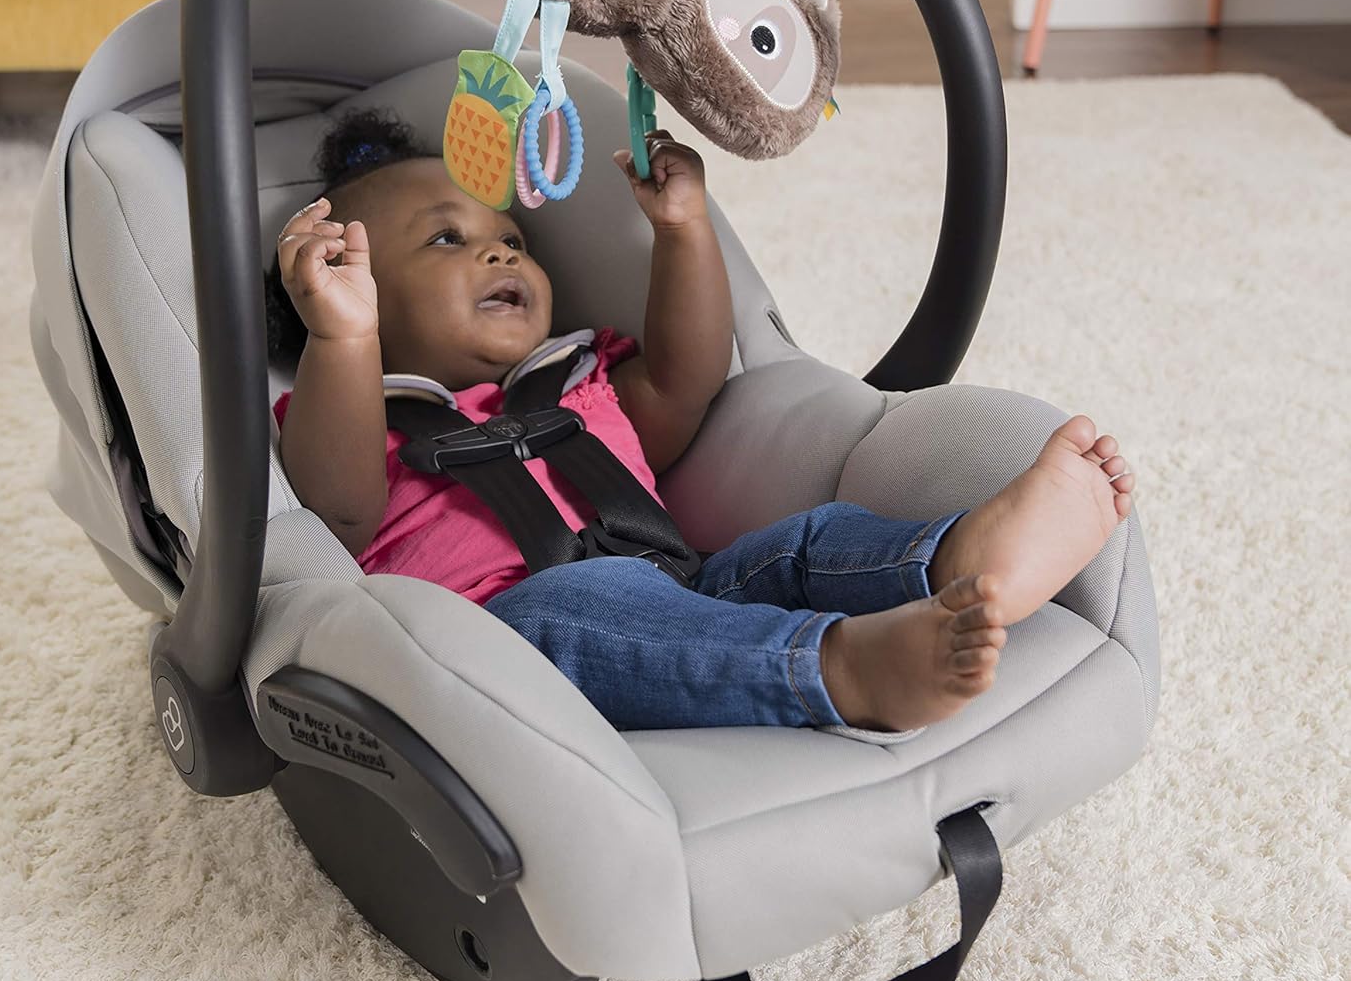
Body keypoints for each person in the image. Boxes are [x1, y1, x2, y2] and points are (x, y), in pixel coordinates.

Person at [267, 109, 1134, 736]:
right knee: (577, 603)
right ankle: (842, 669)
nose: (500, 251)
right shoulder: (356, 422)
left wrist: (682, 230)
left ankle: (962, 559)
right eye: (445, 240)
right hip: (507, 647)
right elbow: (337, 512)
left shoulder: (579, 382)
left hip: (688, 589)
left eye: (512, 239)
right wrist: (343, 337)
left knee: (806, 542)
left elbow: (688, 381)